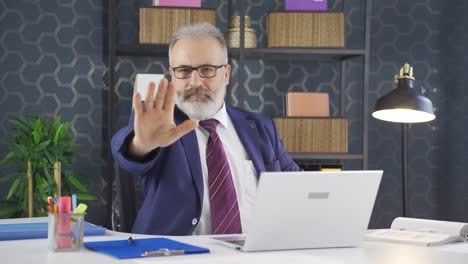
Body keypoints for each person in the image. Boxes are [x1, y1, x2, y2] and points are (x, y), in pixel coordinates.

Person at [111, 23, 300, 236]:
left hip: (255, 253)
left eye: (207, 70)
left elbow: (299, 187)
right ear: (172, 75)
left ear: (226, 73)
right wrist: (141, 146)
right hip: (177, 255)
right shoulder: (159, 124)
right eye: (183, 70)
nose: (195, 82)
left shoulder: (261, 128)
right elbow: (129, 152)